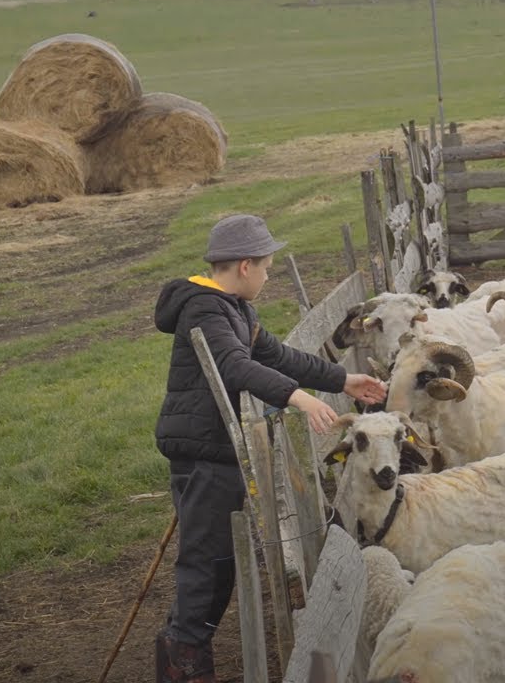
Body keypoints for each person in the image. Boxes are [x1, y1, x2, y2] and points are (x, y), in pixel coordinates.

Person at [152, 213, 387, 683]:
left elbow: (276, 356)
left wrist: (341, 380)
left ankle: (183, 648)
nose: (268, 276)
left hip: (213, 448)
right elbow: (235, 367)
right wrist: (298, 398)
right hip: (203, 453)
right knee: (208, 560)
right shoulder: (206, 310)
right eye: (265, 267)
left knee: (217, 558)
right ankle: (184, 659)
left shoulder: (235, 310)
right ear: (245, 266)